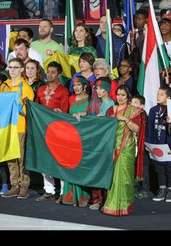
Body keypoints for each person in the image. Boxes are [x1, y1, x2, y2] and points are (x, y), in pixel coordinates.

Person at [102, 84, 146, 216]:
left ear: (128, 97)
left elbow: (137, 129)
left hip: (127, 146)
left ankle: (125, 204)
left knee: (125, 175)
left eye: (123, 95)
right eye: (118, 94)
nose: (120, 97)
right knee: (113, 175)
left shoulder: (134, 111)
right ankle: (111, 203)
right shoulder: (111, 110)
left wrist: (125, 119)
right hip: (112, 145)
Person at [0, 58, 35, 200]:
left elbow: (28, 111)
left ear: (22, 69)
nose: (12, 70)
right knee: (11, 157)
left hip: (21, 127)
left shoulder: (26, 87)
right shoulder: (4, 85)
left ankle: (24, 186)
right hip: (8, 127)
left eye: (16, 67)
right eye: (10, 67)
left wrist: (16, 105)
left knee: (22, 159)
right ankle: (14, 185)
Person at [34, 61, 69, 203]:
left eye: (53, 72)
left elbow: (65, 112)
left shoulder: (63, 91)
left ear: (59, 74)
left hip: (58, 131)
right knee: (44, 160)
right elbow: (36, 108)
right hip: (42, 129)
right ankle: (48, 190)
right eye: (48, 72)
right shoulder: (41, 89)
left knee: (59, 161)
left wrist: (59, 114)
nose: (49, 74)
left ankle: (63, 191)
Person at [86, 77, 116, 210]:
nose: (98, 91)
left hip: (106, 141)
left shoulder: (112, 104)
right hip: (94, 140)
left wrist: (105, 120)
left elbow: (113, 122)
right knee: (95, 169)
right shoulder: (94, 103)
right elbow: (89, 117)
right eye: (97, 88)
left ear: (108, 90)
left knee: (105, 170)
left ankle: (106, 199)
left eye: (101, 88)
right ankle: (96, 199)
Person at [62, 76, 92, 207]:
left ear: (85, 86)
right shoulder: (70, 99)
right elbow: (65, 115)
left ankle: (83, 196)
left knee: (82, 164)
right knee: (71, 164)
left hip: (85, 136)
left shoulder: (91, 100)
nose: (76, 88)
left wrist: (85, 113)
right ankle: (70, 196)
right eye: (74, 86)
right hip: (71, 135)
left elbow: (92, 115)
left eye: (79, 85)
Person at [146, 85, 171, 203]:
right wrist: (148, 144)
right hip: (156, 144)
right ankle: (162, 189)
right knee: (158, 167)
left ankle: (170, 190)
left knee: (169, 168)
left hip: (168, 145)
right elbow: (149, 128)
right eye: (157, 94)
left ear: (168, 97)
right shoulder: (153, 110)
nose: (158, 97)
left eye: (161, 94)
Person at [130, 94, 149, 200]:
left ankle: (144, 189)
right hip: (132, 144)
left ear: (141, 106)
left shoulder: (143, 115)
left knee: (143, 167)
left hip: (142, 145)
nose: (132, 104)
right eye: (131, 102)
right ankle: (134, 188)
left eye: (135, 103)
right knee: (133, 166)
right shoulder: (129, 114)